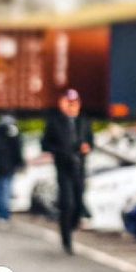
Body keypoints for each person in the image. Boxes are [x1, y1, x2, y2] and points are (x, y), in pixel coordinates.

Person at [42, 89, 94, 255]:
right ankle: (66, 240)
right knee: (67, 203)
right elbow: (45, 144)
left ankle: (71, 225)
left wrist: (86, 146)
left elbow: (91, 140)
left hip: (79, 167)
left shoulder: (83, 121)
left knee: (78, 204)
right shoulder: (56, 121)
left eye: (75, 102)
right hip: (64, 167)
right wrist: (61, 152)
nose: (72, 106)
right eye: (68, 102)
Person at [0, 113, 25, 223]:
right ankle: (4, 212)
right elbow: (18, 149)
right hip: (9, 165)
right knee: (6, 188)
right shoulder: (13, 133)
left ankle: (0, 212)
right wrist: (19, 163)